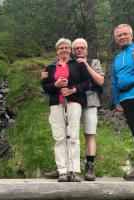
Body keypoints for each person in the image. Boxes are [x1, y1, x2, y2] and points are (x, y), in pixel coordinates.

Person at [42, 38, 90, 182]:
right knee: (59, 137)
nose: (64, 50)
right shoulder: (50, 67)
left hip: (74, 103)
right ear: (57, 50)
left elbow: (86, 82)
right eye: (61, 48)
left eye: (67, 48)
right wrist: (55, 84)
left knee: (73, 136)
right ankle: (62, 171)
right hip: (56, 105)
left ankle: (74, 171)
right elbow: (45, 87)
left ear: (70, 50)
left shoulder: (78, 64)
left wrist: (73, 89)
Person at [112, 24, 134, 180]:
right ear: (116, 39)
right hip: (126, 99)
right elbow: (114, 80)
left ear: (132, 35)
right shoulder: (117, 58)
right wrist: (116, 100)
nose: (122, 37)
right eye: (119, 35)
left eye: (125, 34)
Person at [72, 38, 104, 181]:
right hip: (73, 101)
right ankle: (69, 166)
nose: (79, 50)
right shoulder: (69, 63)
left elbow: (100, 80)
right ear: (73, 51)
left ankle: (90, 167)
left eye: (82, 48)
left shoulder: (94, 62)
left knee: (89, 134)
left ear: (86, 49)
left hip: (90, 101)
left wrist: (85, 64)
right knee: (71, 134)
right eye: (76, 48)